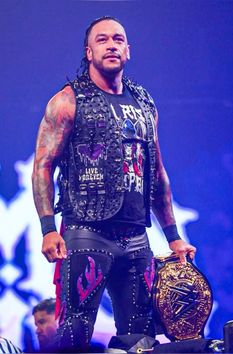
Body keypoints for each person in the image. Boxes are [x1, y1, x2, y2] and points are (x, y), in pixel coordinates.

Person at [32, 16, 196, 352]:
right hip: (86, 232)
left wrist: (174, 237)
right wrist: (49, 228)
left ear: (128, 50)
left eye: (118, 39)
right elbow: (43, 165)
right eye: (103, 40)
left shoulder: (144, 103)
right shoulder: (67, 100)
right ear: (89, 52)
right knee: (75, 331)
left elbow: (157, 172)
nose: (111, 45)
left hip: (136, 236)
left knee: (141, 337)